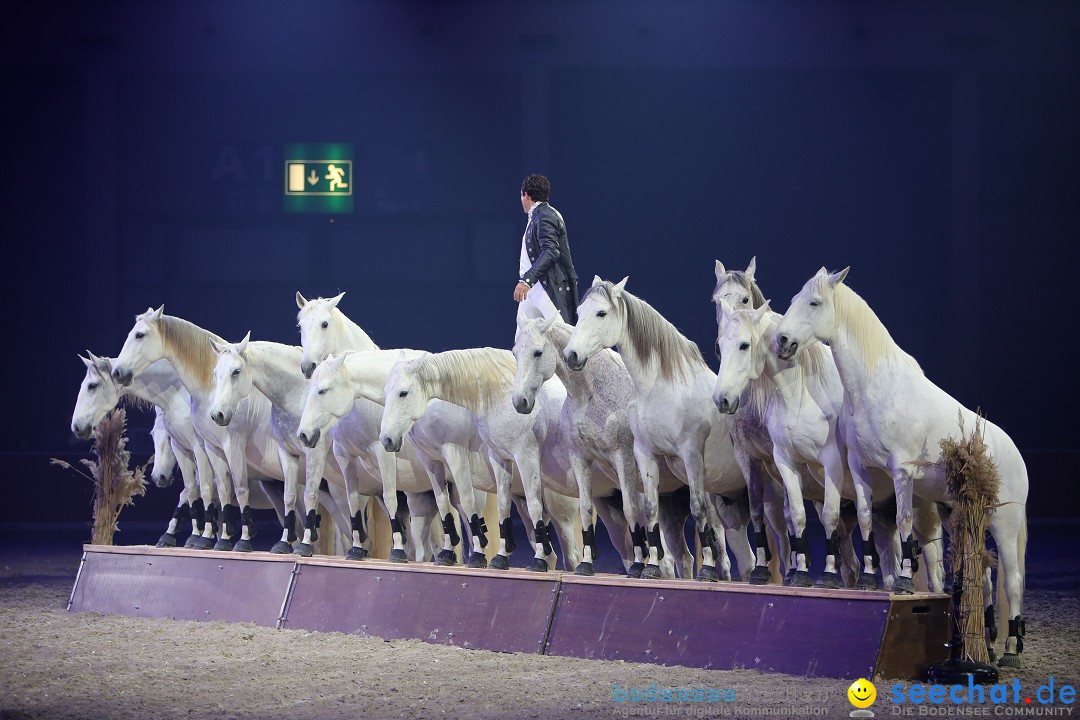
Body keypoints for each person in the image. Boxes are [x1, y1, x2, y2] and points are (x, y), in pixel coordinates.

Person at [513, 174, 579, 325]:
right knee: (523, 341)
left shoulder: (545, 215)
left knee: (563, 336)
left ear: (526, 194)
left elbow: (551, 251)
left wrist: (527, 280)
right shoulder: (537, 216)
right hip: (532, 289)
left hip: (545, 286)